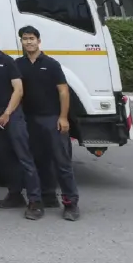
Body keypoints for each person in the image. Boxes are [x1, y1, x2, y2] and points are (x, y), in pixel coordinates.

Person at [0, 26, 43, 220]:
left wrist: (7, 113)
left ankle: (35, 201)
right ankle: (15, 195)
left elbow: (18, 90)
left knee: (24, 157)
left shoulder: (7, 62)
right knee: (5, 158)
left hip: (12, 114)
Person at [16, 26, 80, 221]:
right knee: (36, 162)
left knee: (62, 162)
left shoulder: (51, 64)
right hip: (30, 120)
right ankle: (40, 200)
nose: (28, 42)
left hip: (52, 118)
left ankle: (70, 203)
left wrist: (63, 117)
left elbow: (63, 91)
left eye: (32, 38)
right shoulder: (18, 64)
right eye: (25, 39)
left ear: (39, 40)